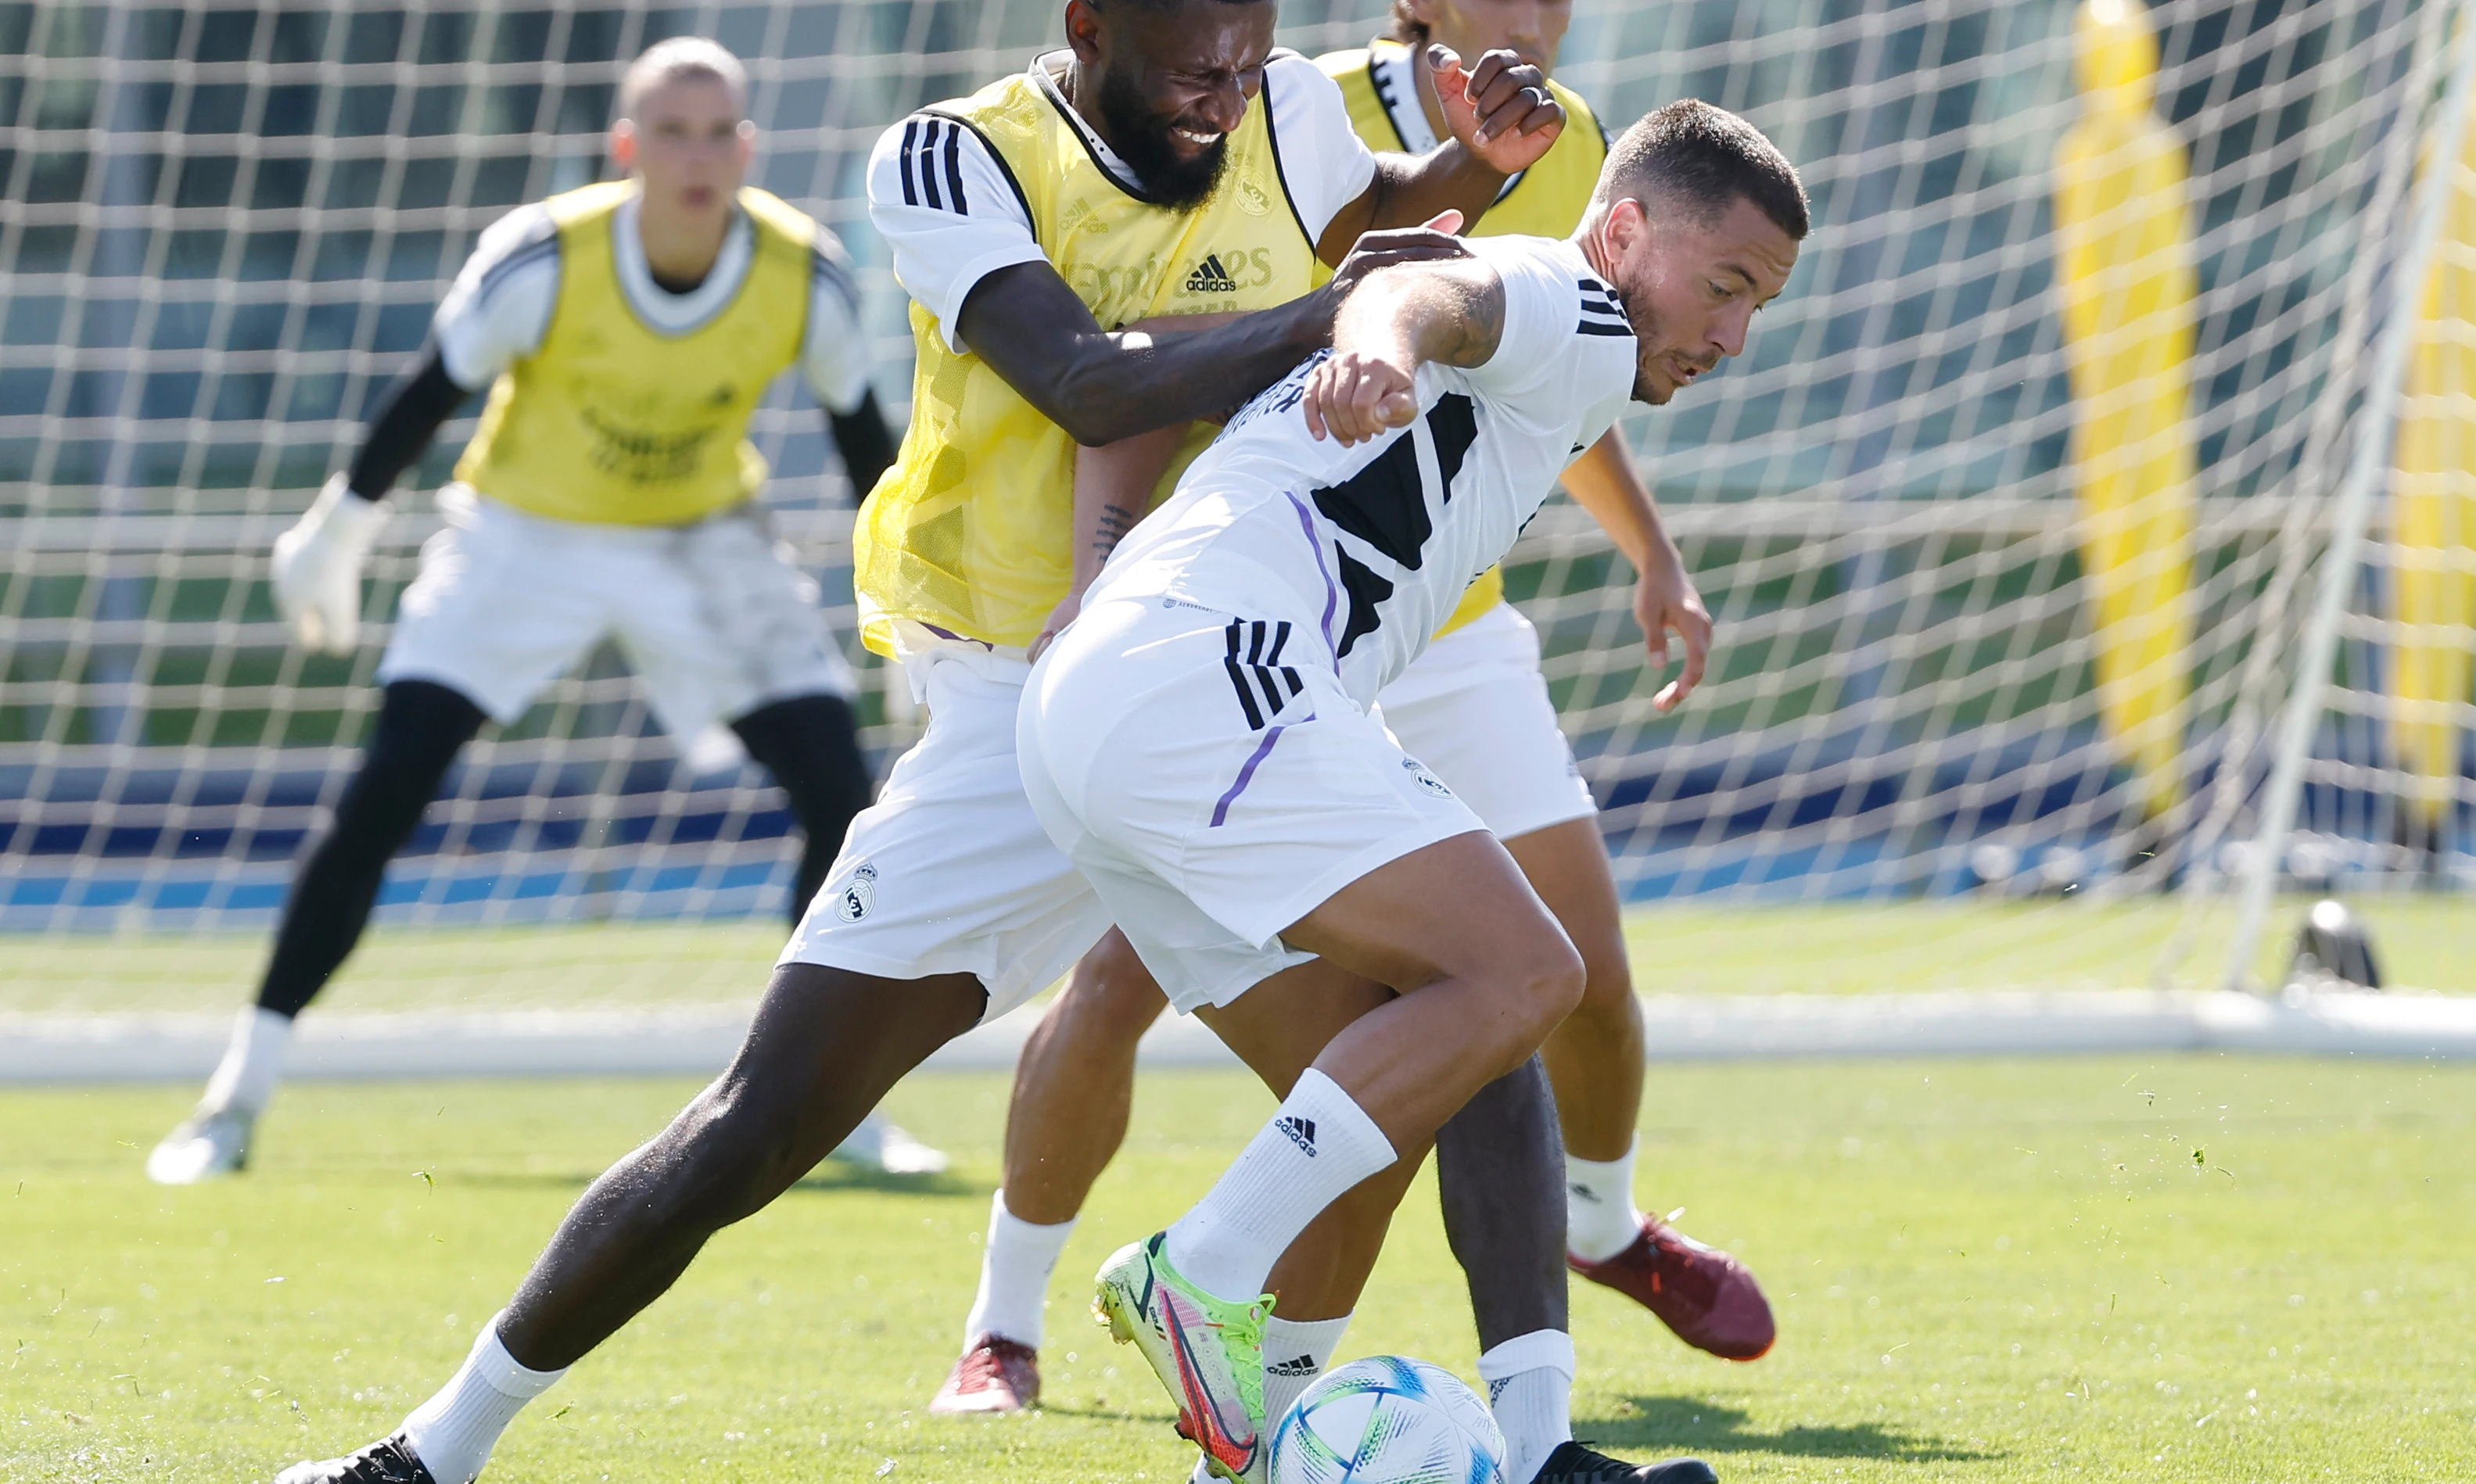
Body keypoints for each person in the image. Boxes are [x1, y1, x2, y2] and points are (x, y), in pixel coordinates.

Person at [267, 0, 1572, 1478]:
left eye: (1252, 51)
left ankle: (1524, 1449)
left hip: (1230, 681)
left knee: (1477, 1007)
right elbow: (1086, 381)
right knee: (764, 1122)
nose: (1230, 87)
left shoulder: (1286, 105)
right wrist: (1323, 317)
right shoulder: (952, 157)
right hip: (1026, 695)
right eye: (1196, 58)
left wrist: (1467, 168)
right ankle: (432, 1451)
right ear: (1088, 25)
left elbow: (1368, 226)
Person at [931, 0, 1769, 1432]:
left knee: (1429, 1066)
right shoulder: (1559, 292)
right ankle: (1185, 1271)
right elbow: (1431, 295)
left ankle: (1422, 1441)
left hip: (1139, 693)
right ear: (1625, 238)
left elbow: (1222, 336)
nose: (1737, 334)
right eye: (1728, 285)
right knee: (1528, 972)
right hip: (1214, 668)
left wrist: (1103, 570)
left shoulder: (1564, 349)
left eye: (1763, 304)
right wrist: (1373, 330)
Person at [145, 37, 948, 1189]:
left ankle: (829, 1102)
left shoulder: (801, 269)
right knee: (388, 788)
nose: (697, 156)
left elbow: (862, 443)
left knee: (841, 795)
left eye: (719, 132)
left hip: (702, 541)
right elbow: (431, 388)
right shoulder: (543, 255)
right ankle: (233, 1100)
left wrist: (903, 602)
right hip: (522, 536)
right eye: (671, 131)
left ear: (749, 149)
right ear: (625, 147)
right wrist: (336, 529)